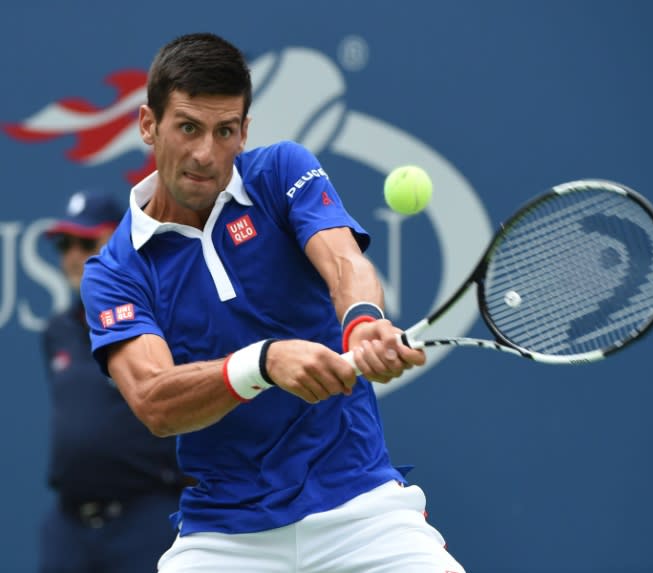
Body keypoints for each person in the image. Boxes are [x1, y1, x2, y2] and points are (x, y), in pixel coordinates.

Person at [80, 32, 466, 573]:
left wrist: (362, 321)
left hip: (361, 510)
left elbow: (342, 262)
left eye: (225, 131)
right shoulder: (115, 271)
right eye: (188, 127)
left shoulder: (280, 171)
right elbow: (155, 401)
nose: (205, 154)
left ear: (244, 131)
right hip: (224, 536)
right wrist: (262, 363)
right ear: (149, 124)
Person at [40, 190, 189, 573]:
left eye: (86, 242)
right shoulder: (57, 331)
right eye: (64, 244)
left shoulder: (156, 321)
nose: (73, 255)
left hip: (146, 516)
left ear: (116, 243)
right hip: (68, 524)